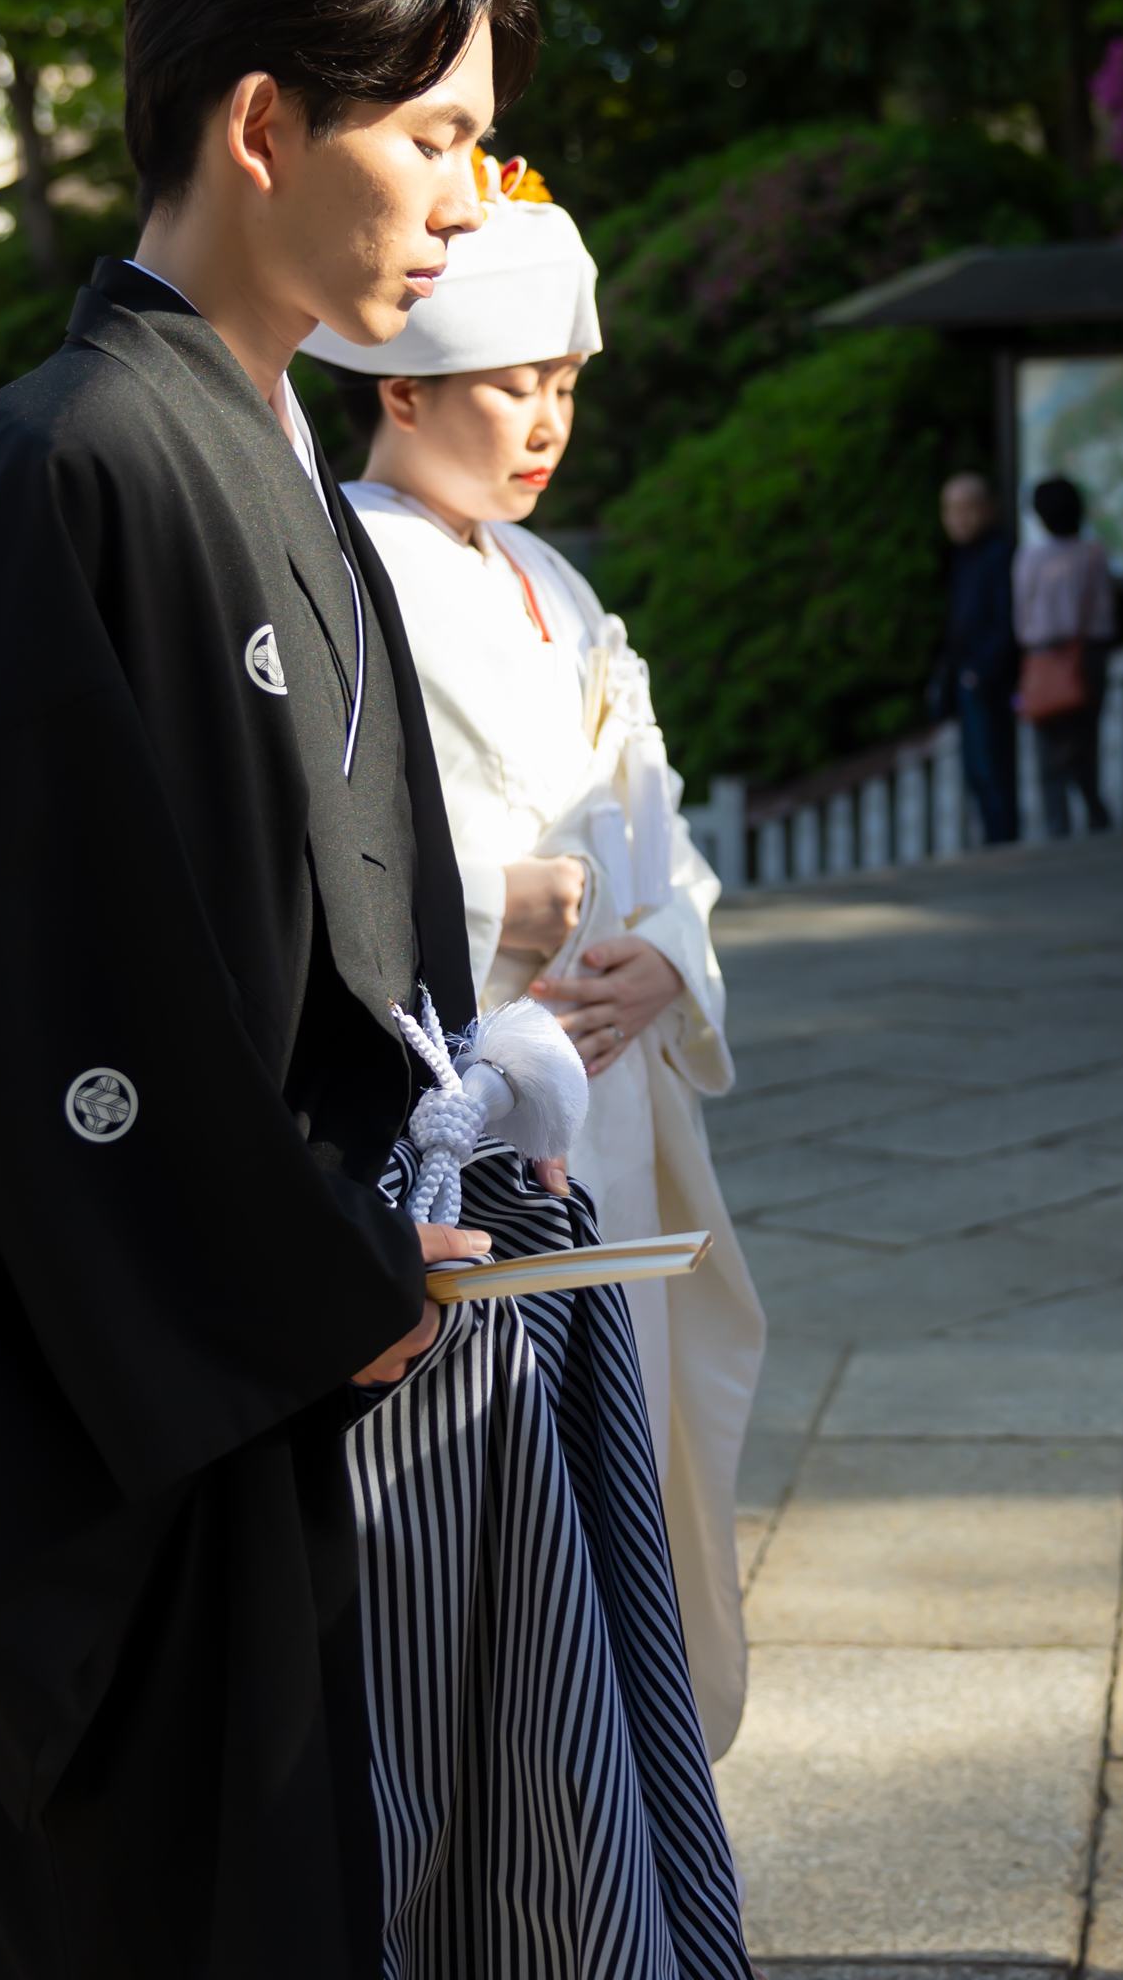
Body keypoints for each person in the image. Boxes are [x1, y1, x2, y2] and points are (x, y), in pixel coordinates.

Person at [0, 0, 529, 1978]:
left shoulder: (261, 451)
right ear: (258, 130)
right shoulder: (68, 460)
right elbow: (8, 987)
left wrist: (379, 1204)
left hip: (252, 1348)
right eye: (428, 140)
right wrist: (306, 1265)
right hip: (134, 1404)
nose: (465, 199)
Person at [310, 166, 767, 1756]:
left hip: (617, 1094)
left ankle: (626, 1848)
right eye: (519, 383)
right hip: (479, 1112)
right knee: (503, 1533)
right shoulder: (339, 563)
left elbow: (666, 832)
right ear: (406, 380)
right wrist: (469, 907)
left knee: (631, 1495)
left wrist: (673, 959)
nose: (549, 417)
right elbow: (301, 836)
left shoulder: (553, 581)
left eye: (569, 383)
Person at [1011, 475, 1117, 838]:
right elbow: (1104, 612)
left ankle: (1058, 827)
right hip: (1088, 655)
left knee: (1049, 753)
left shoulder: (1031, 558)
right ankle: (1096, 816)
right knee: (1086, 743)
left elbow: (1022, 618)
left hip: (1045, 659)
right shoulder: (1093, 553)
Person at [936, 470, 1020, 844]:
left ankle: (1003, 845)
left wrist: (982, 671)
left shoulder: (999, 554)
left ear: (989, 508)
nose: (959, 518)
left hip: (988, 679)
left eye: (968, 508)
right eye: (951, 510)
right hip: (968, 676)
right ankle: (993, 842)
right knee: (977, 772)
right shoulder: (962, 557)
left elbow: (1007, 620)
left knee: (994, 769)